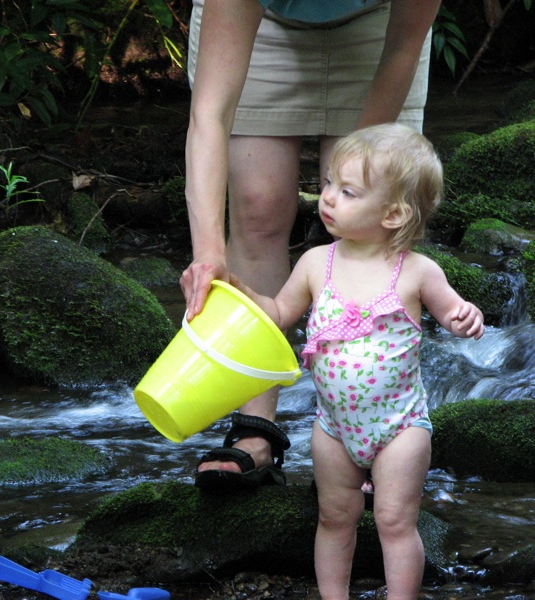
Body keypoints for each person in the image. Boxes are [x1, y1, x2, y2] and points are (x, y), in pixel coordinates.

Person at [180, 0, 442, 489]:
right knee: (257, 208)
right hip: (263, 32)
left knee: (369, 227)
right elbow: (209, 113)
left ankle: (374, 440)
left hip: (380, 28)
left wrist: (350, 184)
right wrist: (208, 253)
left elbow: (404, 47)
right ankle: (255, 430)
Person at [231, 123, 484, 598]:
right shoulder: (315, 263)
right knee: (334, 517)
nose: (327, 197)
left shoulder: (416, 270)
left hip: (400, 426)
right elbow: (280, 314)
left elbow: (454, 313)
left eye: (347, 191)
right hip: (334, 426)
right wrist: (243, 292)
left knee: (393, 520)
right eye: (327, 183)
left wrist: (465, 317)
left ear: (393, 214)